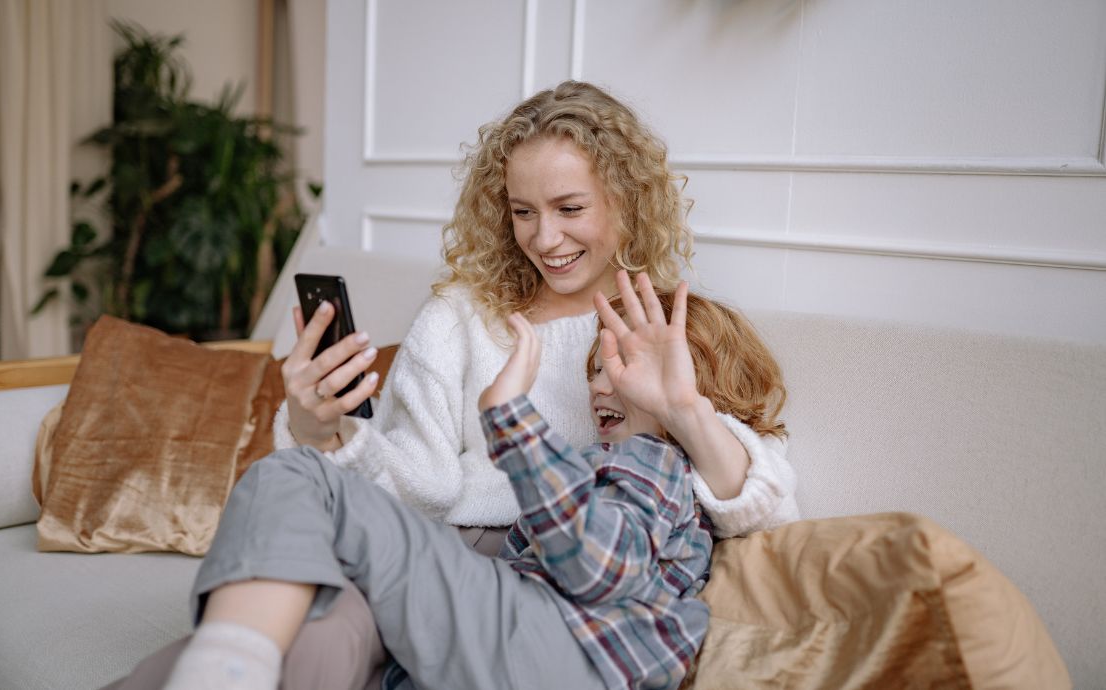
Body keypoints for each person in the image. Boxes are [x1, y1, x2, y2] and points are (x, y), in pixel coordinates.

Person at [109, 80, 798, 689]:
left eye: (569, 208)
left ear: (628, 201)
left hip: (544, 589)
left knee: (294, 594)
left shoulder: (659, 329)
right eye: (523, 211)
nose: (544, 238)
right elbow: (419, 481)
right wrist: (324, 430)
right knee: (304, 633)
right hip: (444, 546)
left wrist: (681, 410)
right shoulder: (461, 317)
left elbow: (764, 508)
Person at [160, 271, 787, 690]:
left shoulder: (654, 461)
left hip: (560, 649)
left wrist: (509, 417)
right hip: (539, 649)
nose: (599, 384)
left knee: (298, 472)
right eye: (595, 369)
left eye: (621, 367)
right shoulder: (641, 474)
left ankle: (224, 667)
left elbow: (601, 569)